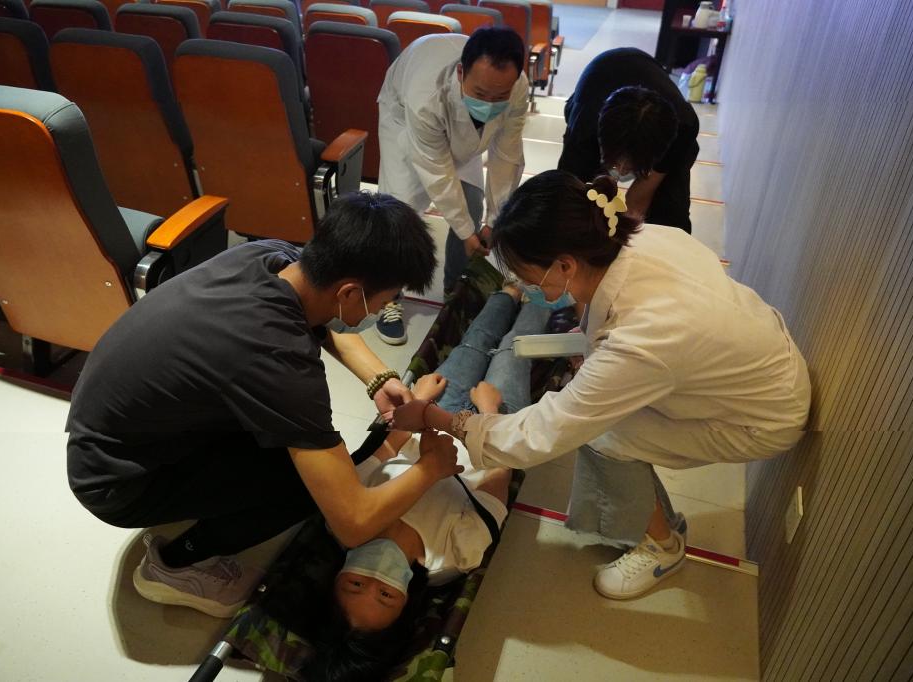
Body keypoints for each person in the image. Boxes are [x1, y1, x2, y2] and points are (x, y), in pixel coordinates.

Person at [390, 170, 812, 600]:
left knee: (604, 434)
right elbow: (616, 330)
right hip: (760, 360)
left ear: (565, 265)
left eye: (527, 277)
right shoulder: (641, 239)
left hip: (759, 413)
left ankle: (663, 547)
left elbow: (543, 431)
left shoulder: (644, 338)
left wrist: (438, 416)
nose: (524, 285)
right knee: (521, 358)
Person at [65, 193, 463, 619]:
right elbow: (352, 522)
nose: (384, 309)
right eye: (385, 300)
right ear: (350, 292)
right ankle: (175, 565)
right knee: (308, 486)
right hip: (116, 482)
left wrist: (379, 379)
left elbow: (322, 319)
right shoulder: (277, 359)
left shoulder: (271, 257)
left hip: (118, 431)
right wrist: (431, 468)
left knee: (300, 451)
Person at [304, 285, 549, 681]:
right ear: (406, 604)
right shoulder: (454, 557)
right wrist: (489, 413)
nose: (376, 577)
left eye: (356, 584)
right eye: (386, 594)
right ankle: (540, 297)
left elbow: (386, 450)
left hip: (432, 414)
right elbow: (498, 479)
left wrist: (418, 402)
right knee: (514, 351)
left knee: (473, 344)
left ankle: (507, 291)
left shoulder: (346, 515)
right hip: (491, 434)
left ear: (335, 579)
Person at [374, 27, 529, 345]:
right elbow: (435, 167)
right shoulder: (425, 95)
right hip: (404, 116)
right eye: (481, 94)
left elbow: (507, 155)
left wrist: (494, 220)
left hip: (464, 130)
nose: (490, 103)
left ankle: (455, 291)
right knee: (399, 211)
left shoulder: (517, 87)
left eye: (499, 97)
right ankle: (386, 294)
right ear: (461, 72)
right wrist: (465, 231)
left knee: (470, 202)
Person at [559, 47, 700, 232]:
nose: (622, 170)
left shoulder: (681, 128)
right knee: (577, 206)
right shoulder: (584, 127)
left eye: (632, 165)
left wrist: (624, 233)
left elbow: (637, 201)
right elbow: (565, 199)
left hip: (665, 130)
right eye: (617, 162)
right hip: (596, 89)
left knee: (671, 215)